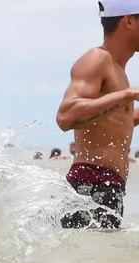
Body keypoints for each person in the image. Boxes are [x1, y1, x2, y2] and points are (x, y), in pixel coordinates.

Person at [55, 0, 139, 228]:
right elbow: (65, 116)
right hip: (90, 184)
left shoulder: (118, 70)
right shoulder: (97, 58)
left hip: (109, 186)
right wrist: (129, 94)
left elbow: (114, 123)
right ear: (128, 20)